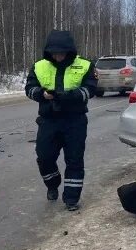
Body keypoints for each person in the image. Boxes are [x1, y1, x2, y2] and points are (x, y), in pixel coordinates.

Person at [25, 30, 97, 210]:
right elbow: (29, 89)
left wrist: (71, 96)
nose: (57, 56)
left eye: (61, 53)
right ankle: (52, 183)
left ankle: (71, 199)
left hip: (75, 121)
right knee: (44, 157)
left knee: (74, 160)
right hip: (48, 120)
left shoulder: (85, 65)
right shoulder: (39, 66)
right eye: (54, 53)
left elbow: (90, 89)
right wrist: (42, 94)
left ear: (69, 51)